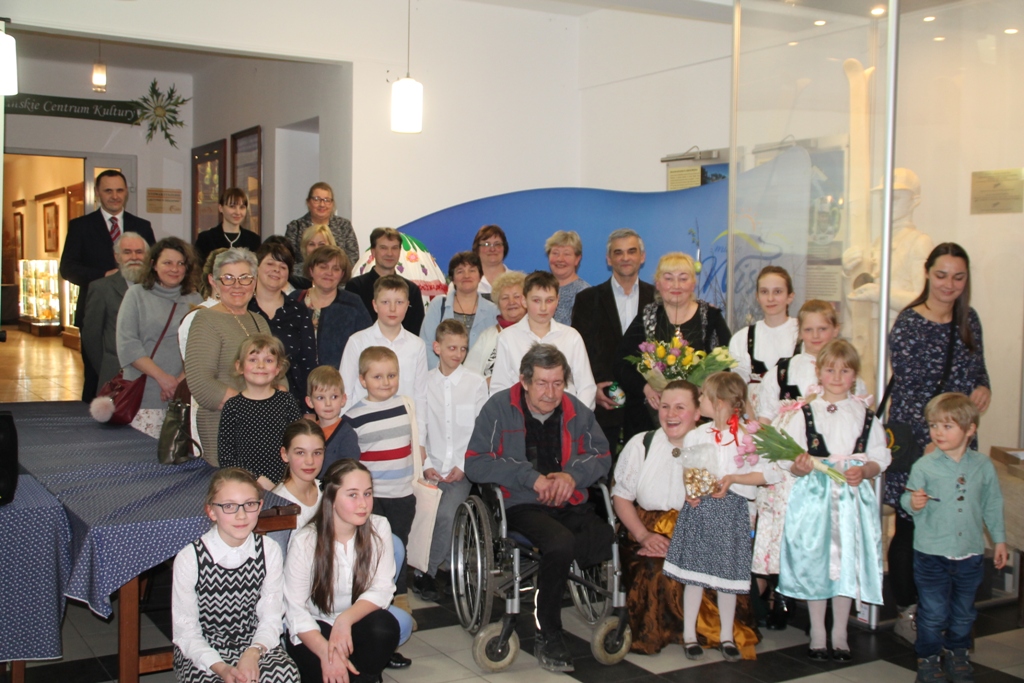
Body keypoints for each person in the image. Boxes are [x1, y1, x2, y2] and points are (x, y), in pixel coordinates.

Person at [465, 344, 613, 673]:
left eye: (558, 383)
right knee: (559, 543)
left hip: (568, 501)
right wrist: (529, 477)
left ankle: (602, 605)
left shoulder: (575, 410)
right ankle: (549, 631)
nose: (550, 393)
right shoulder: (499, 408)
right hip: (521, 503)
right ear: (524, 381)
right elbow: (475, 463)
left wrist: (572, 476)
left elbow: (601, 455)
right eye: (542, 383)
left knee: (604, 535)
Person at [886, 243, 991, 643]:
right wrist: (930, 441)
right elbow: (909, 389)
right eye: (942, 275)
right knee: (911, 525)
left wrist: (983, 388)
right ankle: (908, 610)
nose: (950, 284)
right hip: (922, 442)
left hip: (960, 442)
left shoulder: (969, 319)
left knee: (955, 523)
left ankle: (947, 609)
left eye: (958, 277)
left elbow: (978, 369)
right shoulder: (910, 322)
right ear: (928, 273)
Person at [753, 299, 865, 630]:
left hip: (829, 471)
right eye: (809, 329)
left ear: (836, 329)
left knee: (823, 538)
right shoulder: (784, 370)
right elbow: (766, 417)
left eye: (823, 328)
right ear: (799, 331)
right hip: (789, 466)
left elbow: (859, 421)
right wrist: (768, 452)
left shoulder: (848, 372)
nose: (816, 336)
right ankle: (779, 594)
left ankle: (823, 598)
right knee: (783, 532)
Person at [776, 340, 891, 662]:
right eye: (830, 370)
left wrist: (865, 470)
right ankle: (817, 630)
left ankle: (840, 632)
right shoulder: (804, 413)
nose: (837, 377)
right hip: (815, 498)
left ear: (854, 375)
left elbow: (880, 457)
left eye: (845, 371)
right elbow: (789, 458)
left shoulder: (864, 415)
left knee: (846, 563)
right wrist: (799, 466)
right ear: (819, 372)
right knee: (815, 560)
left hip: (851, 498)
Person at [662, 372, 772, 662]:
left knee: (727, 577)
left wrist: (733, 479)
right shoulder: (697, 434)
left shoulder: (747, 436)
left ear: (719, 402)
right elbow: (689, 469)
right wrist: (691, 490)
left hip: (730, 512)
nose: (699, 400)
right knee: (694, 576)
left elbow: (764, 474)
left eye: (703, 396)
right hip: (701, 510)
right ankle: (689, 634)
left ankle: (726, 635)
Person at [901, 393, 1006, 683]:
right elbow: (907, 499)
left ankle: (957, 652)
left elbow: (992, 503)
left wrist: (999, 540)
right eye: (933, 425)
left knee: (963, 612)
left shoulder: (982, 465)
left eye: (947, 426)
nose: (938, 432)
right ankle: (928, 658)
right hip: (931, 553)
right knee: (933, 612)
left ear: (970, 429)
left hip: (970, 553)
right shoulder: (924, 466)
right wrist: (914, 503)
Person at [612, 380, 715, 655]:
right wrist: (644, 536)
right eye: (665, 406)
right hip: (645, 529)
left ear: (697, 413)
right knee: (655, 570)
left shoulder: (711, 447)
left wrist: (684, 542)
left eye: (680, 408)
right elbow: (621, 498)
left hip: (696, 531)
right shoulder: (641, 444)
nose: (671, 414)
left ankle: (695, 632)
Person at [172, 467, 299, 683]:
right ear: (212, 511)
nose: (241, 515)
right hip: (203, 648)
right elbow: (186, 631)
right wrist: (221, 668)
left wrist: (253, 652)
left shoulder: (268, 550)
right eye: (229, 506)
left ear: (260, 506)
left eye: (249, 504)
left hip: (253, 642)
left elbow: (271, 617)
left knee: (285, 674)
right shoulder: (190, 558)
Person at [283, 459, 401, 683]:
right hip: (313, 627)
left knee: (384, 628)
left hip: (355, 620)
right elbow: (295, 609)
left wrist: (344, 621)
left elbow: (383, 588)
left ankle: (364, 676)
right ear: (331, 498)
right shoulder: (305, 540)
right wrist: (327, 653)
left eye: (367, 493)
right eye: (352, 495)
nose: (363, 504)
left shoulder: (379, 527)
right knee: (331, 671)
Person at [60, 169, 155, 401]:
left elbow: (153, 266)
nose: (115, 196)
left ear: (126, 193)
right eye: (108, 191)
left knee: (137, 377)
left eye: (119, 190)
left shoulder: (141, 225)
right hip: (97, 312)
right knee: (97, 376)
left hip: (138, 311)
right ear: (98, 193)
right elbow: (68, 268)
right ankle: (92, 419)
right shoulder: (81, 226)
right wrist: (104, 275)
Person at [343, 347, 420, 627]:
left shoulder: (406, 406)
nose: (386, 382)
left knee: (399, 545)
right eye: (377, 377)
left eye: (391, 375)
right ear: (363, 380)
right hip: (372, 499)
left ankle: (400, 597)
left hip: (402, 494)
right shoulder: (353, 417)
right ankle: (367, 599)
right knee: (371, 548)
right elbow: (352, 463)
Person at [617, 252, 732, 439]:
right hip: (649, 418)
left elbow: (725, 364)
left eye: (683, 278)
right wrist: (645, 387)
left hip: (701, 418)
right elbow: (622, 363)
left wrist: (702, 389)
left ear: (693, 284)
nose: (676, 285)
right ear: (658, 284)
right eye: (669, 278)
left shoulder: (711, 317)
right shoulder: (647, 316)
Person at [413, 319, 488, 601]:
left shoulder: (475, 383)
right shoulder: (424, 383)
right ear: (437, 348)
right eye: (452, 348)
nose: (458, 354)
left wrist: (463, 466)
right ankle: (435, 564)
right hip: (430, 466)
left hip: (460, 470)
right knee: (425, 516)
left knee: (445, 515)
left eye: (463, 349)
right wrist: (426, 464)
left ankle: (426, 573)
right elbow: (420, 426)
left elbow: (478, 430)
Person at [184, 248, 272, 467]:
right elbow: (201, 382)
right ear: (214, 282)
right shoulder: (205, 320)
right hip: (222, 427)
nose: (237, 285)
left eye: (244, 278)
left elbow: (276, 372)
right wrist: (252, 408)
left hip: (263, 430)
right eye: (228, 278)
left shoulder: (259, 321)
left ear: (254, 282)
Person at [572, 229, 655, 446]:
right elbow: (579, 352)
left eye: (631, 251)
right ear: (609, 259)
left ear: (642, 257)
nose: (625, 257)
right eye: (618, 252)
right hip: (603, 404)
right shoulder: (587, 299)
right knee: (601, 465)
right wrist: (593, 389)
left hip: (647, 405)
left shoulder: (658, 299)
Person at [115, 237, 203, 438]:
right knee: (143, 454)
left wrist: (178, 382)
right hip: (144, 394)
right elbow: (128, 344)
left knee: (180, 454)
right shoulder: (136, 295)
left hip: (182, 396)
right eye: (168, 263)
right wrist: (163, 379)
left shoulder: (195, 299)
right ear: (154, 264)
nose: (175, 269)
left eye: (181, 263)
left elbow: (199, 348)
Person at [339, 275, 429, 442]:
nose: (392, 309)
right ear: (375, 305)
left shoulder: (417, 345)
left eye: (399, 302)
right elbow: (346, 391)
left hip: (404, 432)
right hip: (364, 431)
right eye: (385, 302)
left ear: (408, 305)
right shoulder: (357, 342)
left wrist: (420, 440)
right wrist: (346, 436)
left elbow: (421, 396)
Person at [489, 270, 597, 409]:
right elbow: (499, 386)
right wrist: (512, 418)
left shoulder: (571, 336)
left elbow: (586, 387)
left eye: (549, 300)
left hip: (565, 415)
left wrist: (577, 418)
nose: (543, 308)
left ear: (558, 300)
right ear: (524, 301)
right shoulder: (507, 337)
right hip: (521, 416)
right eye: (536, 300)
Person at [218, 334, 303, 490]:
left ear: (278, 368)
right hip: (246, 485)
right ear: (239, 366)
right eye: (253, 360)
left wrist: (287, 480)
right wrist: (255, 479)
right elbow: (226, 457)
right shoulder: (233, 406)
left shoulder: (286, 401)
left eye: (268, 360)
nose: (261, 365)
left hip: (286, 483)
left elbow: (299, 443)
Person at [249, 241, 317, 408]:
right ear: (256, 268)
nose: (276, 270)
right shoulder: (245, 308)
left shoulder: (298, 310)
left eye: (283, 267)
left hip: (292, 402)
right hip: (248, 400)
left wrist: (309, 409)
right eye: (270, 264)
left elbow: (308, 363)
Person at [81, 232, 148, 390]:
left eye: (139, 252)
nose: (134, 257)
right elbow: (91, 337)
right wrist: (106, 367)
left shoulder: (157, 288)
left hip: (153, 378)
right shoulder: (101, 288)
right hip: (115, 376)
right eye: (127, 252)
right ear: (117, 257)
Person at [728, 266, 799, 409]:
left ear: (790, 296)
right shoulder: (742, 338)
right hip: (753, 416)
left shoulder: (803, 333)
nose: (770, 298)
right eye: (764, 292)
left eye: (777, 292)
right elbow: (737, 389)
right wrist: (751, 418)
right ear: (757, 297)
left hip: (795, 417)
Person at [292, 245, 372, 370]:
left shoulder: (353, 303)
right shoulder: (295, 300)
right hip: (297, 378)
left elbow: (367, 345)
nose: (329, 273)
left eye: (336, 269)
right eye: (323, 267)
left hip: (341, 378)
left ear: (342, 274)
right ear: (311, 270)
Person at [419, 251, 499, 371]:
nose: (466, 276)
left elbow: (495, 351)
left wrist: (475, 379)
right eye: (460, 271)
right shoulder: (438, 305)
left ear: (480, 276)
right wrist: (444, 374)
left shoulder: (493, 310)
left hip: (480, 379)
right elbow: (426, 344)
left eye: (472, 270)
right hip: (440, 377)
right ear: (453, 279)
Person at [346, 227, 426, 335]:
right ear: (373, 251)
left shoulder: (411, 290)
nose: (390, 253)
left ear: (399, 251)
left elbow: (416, 329)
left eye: (394, 248)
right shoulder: (355, 287)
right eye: (383, 248)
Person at [464, 270, 526, 382]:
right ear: (498, 304)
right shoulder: (487, 336)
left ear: (527, 300)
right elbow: (468, 376)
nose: (511, 302)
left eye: (517, 296)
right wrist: (484, 384)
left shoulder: (535, 332)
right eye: (505, 298)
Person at [283, 182, 359, 271]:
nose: (322, 204)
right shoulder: (295, 227)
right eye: (316, 199)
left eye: (327, 200)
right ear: (308, 202)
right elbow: (288, 260)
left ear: (332, 204)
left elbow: (352, 259)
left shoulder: (344, 226)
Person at [304, 365, 359, 476]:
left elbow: (350, 473)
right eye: (320, 398)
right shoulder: (309, 431)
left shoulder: (347, 435)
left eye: (334, 397)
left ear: (343, 399)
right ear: (310, 402)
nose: (328, 403)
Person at [273, 419, 327, 529]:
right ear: (285, 454)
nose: (310, 461)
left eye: (317, 453)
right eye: (300, 453)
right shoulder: (278, 505)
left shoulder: (328, 491)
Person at [193, 187, 261, 266]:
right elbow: (197, 269)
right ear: (221, 208)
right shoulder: (206, 239)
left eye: (242, 207)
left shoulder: (253, 240)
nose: (238, 212)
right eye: (232, 206)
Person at [545, 230, 590, 325]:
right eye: (555, 253)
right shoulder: (538, 288)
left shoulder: (586, 293)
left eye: (566, 254)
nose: (560, 259)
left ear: (577, 259)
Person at [472, 224, 509, 298]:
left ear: (504, 248)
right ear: (477, 249)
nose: (492, 249)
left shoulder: (520, 282)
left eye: (497, 244)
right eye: (486, 244)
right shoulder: (464, 282)